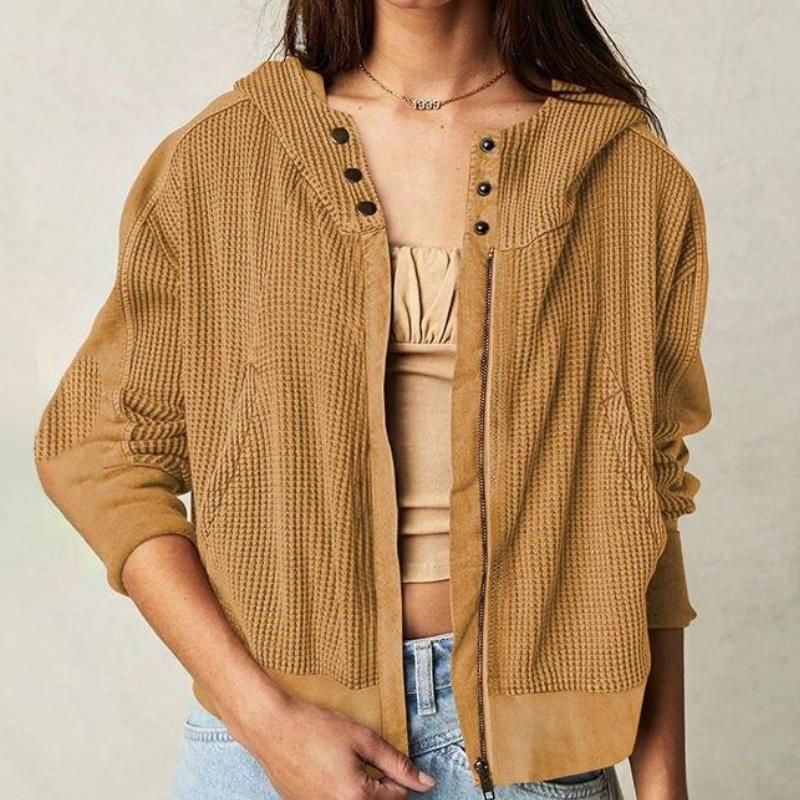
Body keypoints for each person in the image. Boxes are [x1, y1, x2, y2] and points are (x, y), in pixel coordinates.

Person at [33, 0, 713, 798]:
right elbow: (100, 454)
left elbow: (643, 500)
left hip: (541, 763)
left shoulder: (628, 176)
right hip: (268, 746)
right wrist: (265, 721)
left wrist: (664, 788)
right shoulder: (222, 159)